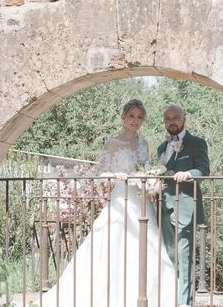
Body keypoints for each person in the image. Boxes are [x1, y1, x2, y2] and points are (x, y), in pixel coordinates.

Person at [41, 99, 175, 307]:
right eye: (132, 116)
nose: (135, 121)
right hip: (121, 200)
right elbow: (100, 174)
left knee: (145, 246)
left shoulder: (144, 143)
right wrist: (114, 175)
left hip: (141, 200)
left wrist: (151, 182)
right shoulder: (112, 143)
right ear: (123, 117)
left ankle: (150, 297)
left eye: (140, 117)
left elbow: (144, 168)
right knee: (115, 245)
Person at [157, 104, 210, 307]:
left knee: (185, 256)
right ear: (164, 122)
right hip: (164, 207)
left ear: (184, 120)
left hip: (186, 207)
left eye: (176, 117)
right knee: (170, 256)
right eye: (168, 118)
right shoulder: (162, 147)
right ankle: (172, 299)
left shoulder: (197, 143)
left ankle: (186, 303)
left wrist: (189, 174)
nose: (172, 121)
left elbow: (204, 170)